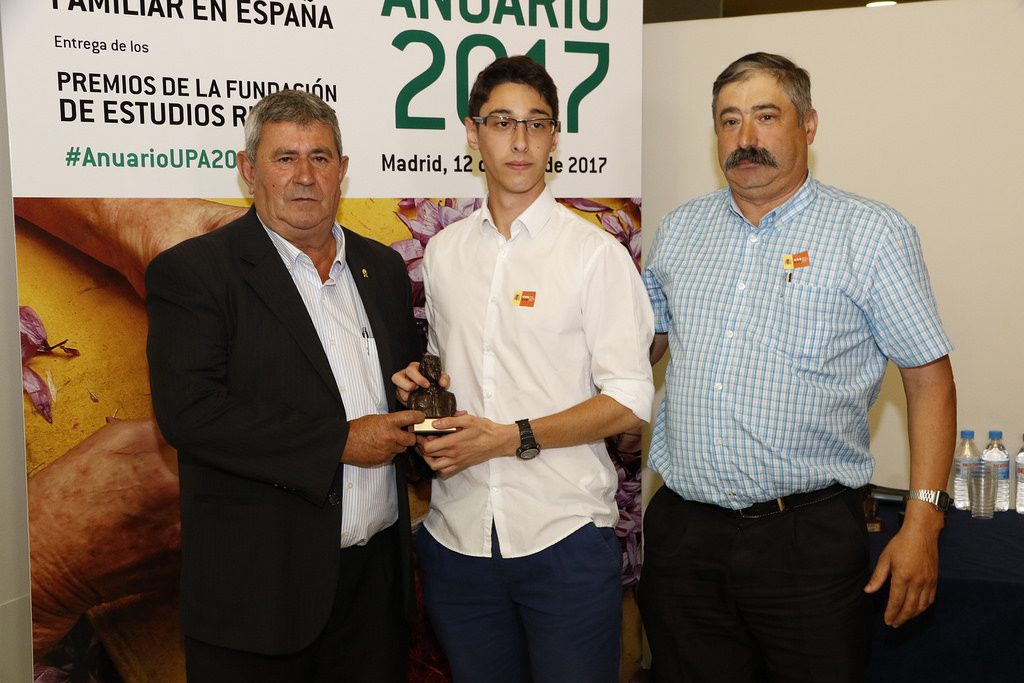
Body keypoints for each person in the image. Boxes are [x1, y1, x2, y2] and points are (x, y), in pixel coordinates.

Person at [639, 52, 956, 682]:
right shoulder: (679, 231)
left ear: (808, 125)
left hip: (806, 539)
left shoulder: (871, 233)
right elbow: (641, 348)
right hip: (684, 536)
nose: (746, 138)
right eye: (730, 120)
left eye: (765, 116)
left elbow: (929, 382)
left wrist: (924, 521)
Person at [145, 89, 425, 682]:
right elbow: (190, 413)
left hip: (374, 595)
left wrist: (416, 394)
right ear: (249, 171)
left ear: (342, 171)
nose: (304, 176)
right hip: (258, 601)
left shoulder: (382, 269)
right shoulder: (194, 272)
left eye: (320, 158)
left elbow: (394, 383)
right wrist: (340, 442)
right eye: (285, 158)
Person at [392, 56, 655, 683]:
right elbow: (450, 368)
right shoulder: (445, 251)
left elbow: (629, 398)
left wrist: (510, 437)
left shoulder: (594, 255)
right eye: (502, 122)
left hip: (562, 537)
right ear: (472, 132)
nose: (519, 140)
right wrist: (421, 385)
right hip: (457, 538)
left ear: (554, 138)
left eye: (536, 124)